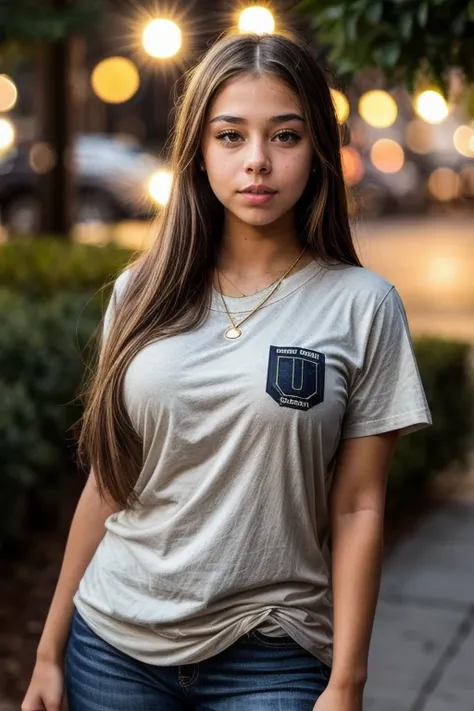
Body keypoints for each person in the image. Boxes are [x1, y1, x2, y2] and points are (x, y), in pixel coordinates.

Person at [22, 29, 432, 711]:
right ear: (199, 151)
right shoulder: (141, 291)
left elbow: (360, 505)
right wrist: (47, 648)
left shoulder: (363, 306)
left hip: (271, 656)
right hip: (113, 646)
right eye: (231, 135)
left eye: (286, 135)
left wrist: (347, 682)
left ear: (319, 152)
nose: (258, 162)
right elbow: (109, 481)